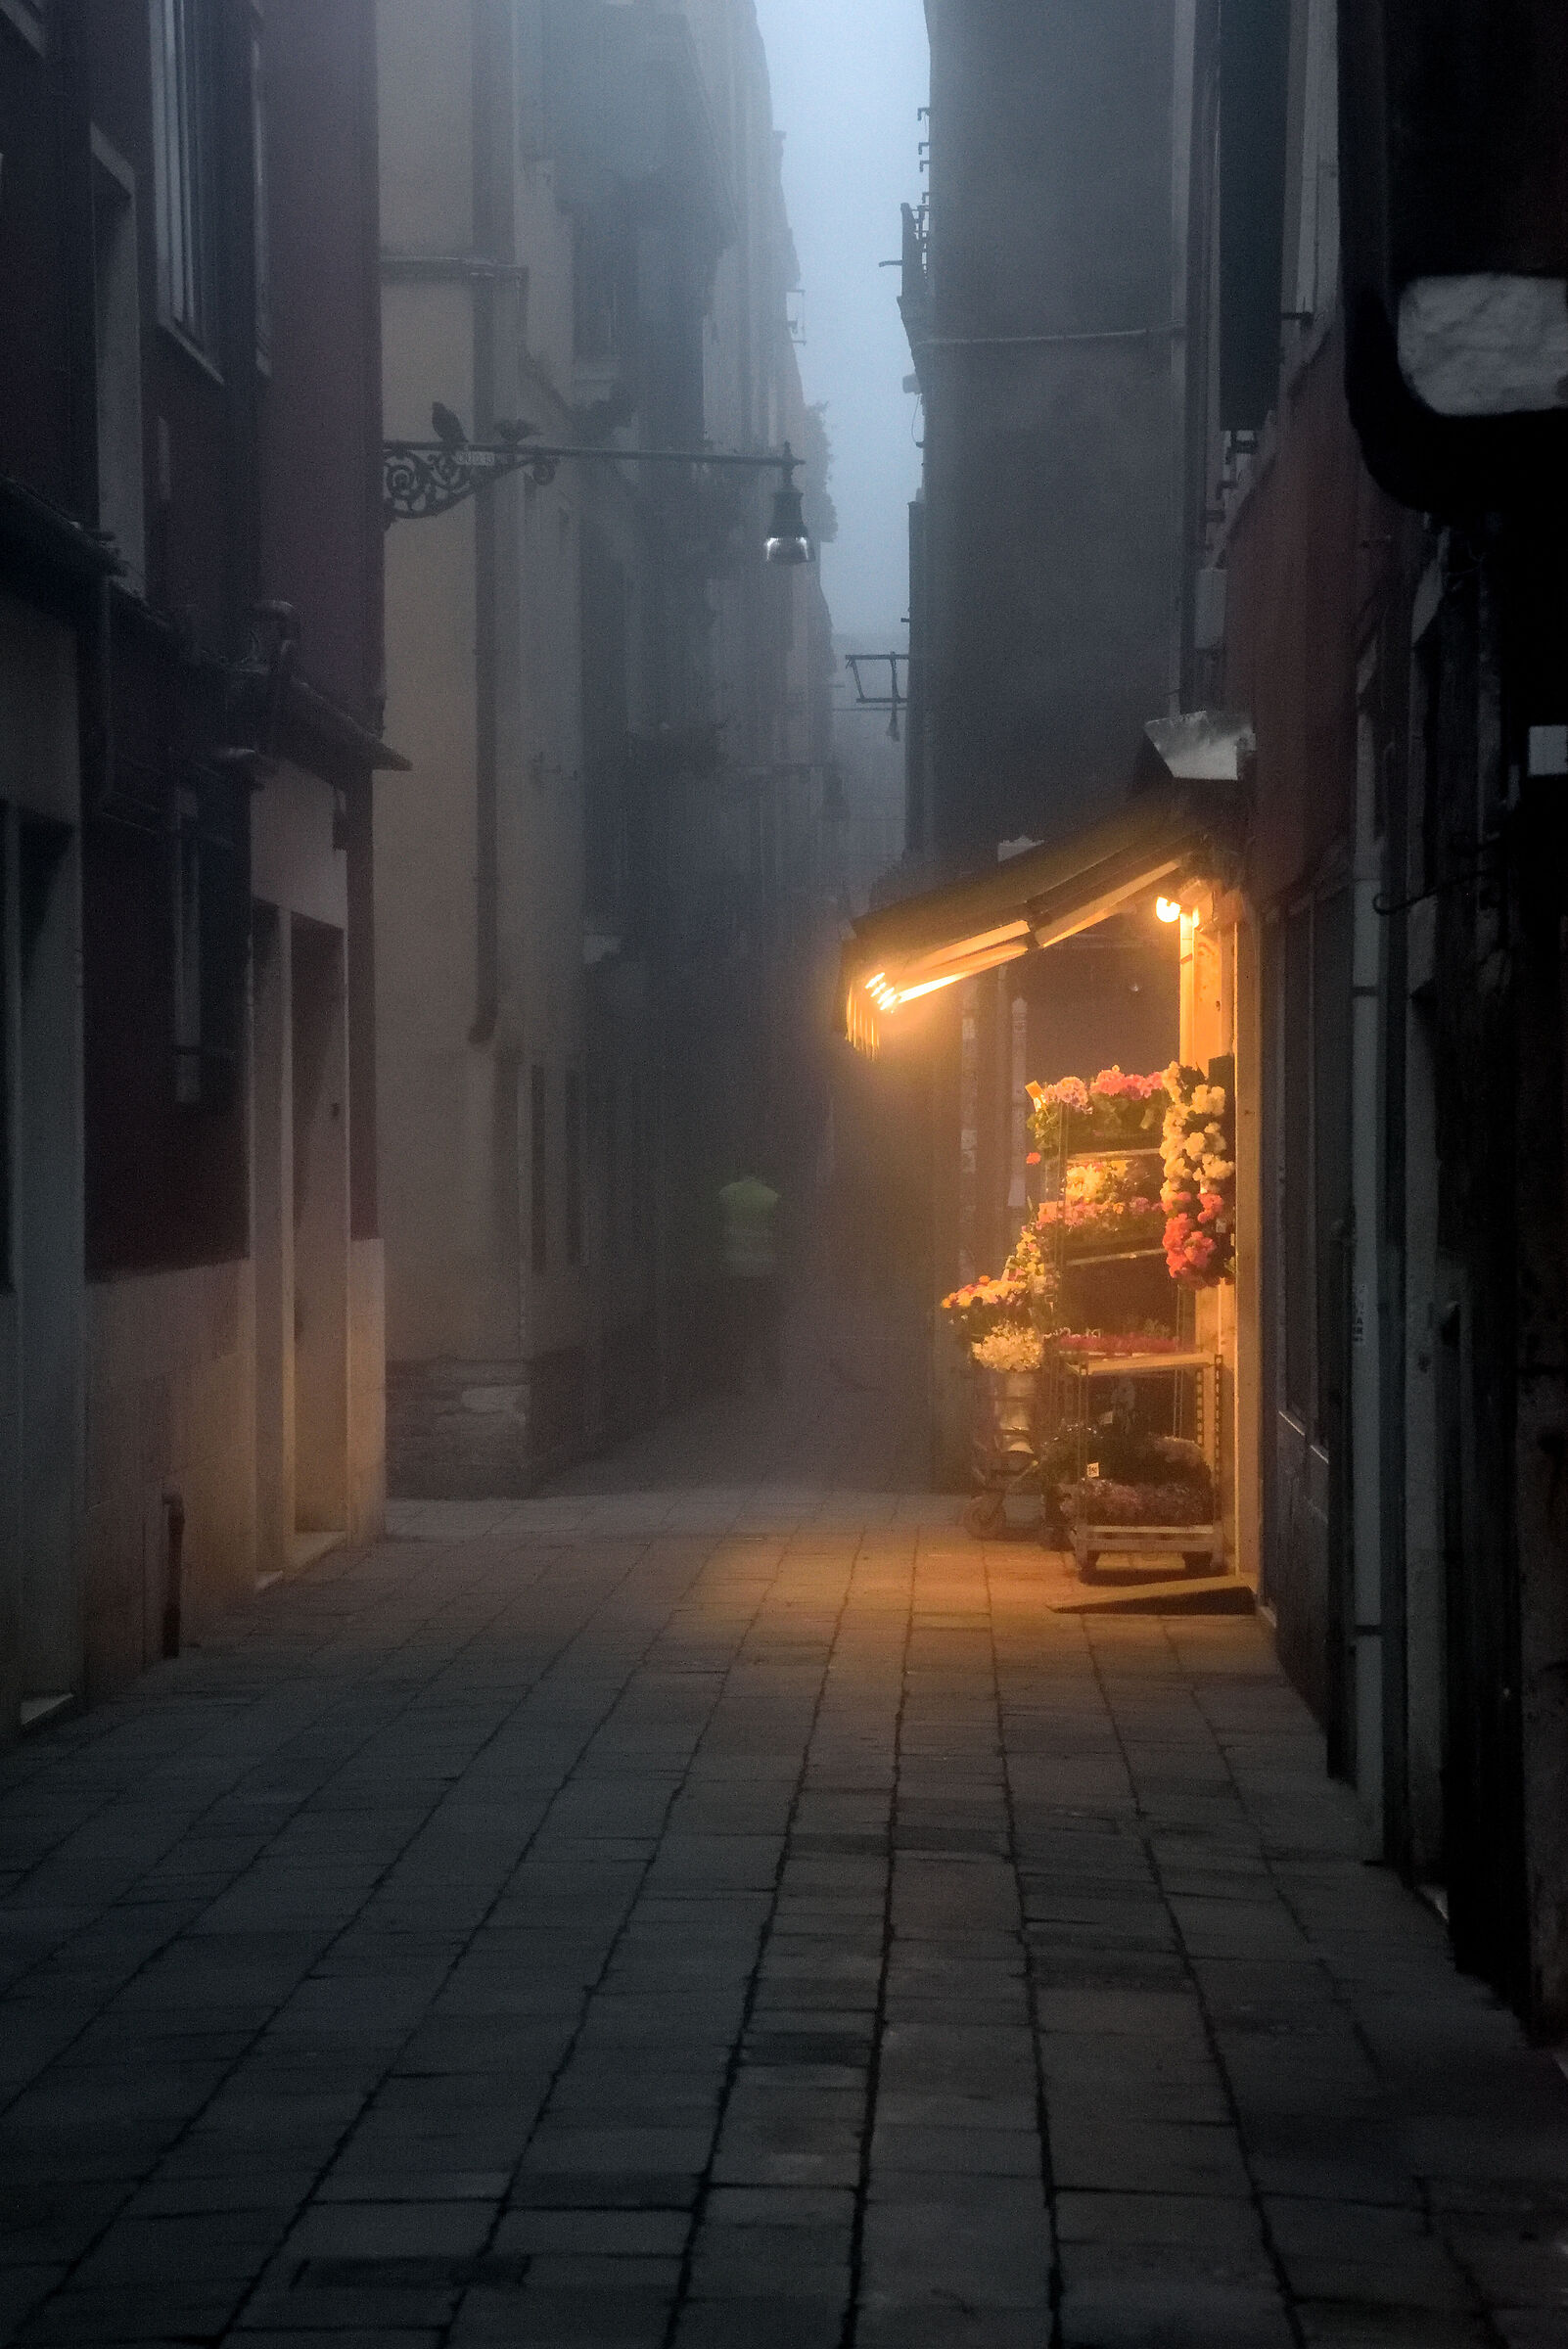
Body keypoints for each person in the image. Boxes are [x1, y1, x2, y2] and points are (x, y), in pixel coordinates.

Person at [717, 1174, 783, 1390]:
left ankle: (733, 1379)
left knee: (739, 1326)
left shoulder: (727, 1194)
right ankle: (773, 1379)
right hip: (764, 1272)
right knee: (767, 1327)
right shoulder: (771, 1198)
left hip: (736, 1272)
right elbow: (779, 1235)